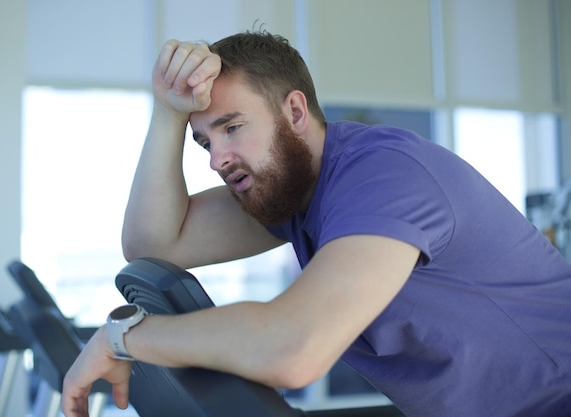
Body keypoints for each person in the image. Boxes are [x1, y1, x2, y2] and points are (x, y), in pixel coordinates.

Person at [61, 30, 571, 417]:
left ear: (295, 111)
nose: (217, 159)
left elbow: (294, 348)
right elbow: (153, 245)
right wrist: (169, 114)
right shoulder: (291, 192)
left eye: (232, 127)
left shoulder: (383, 177)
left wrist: (122, 339)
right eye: (205, 142)